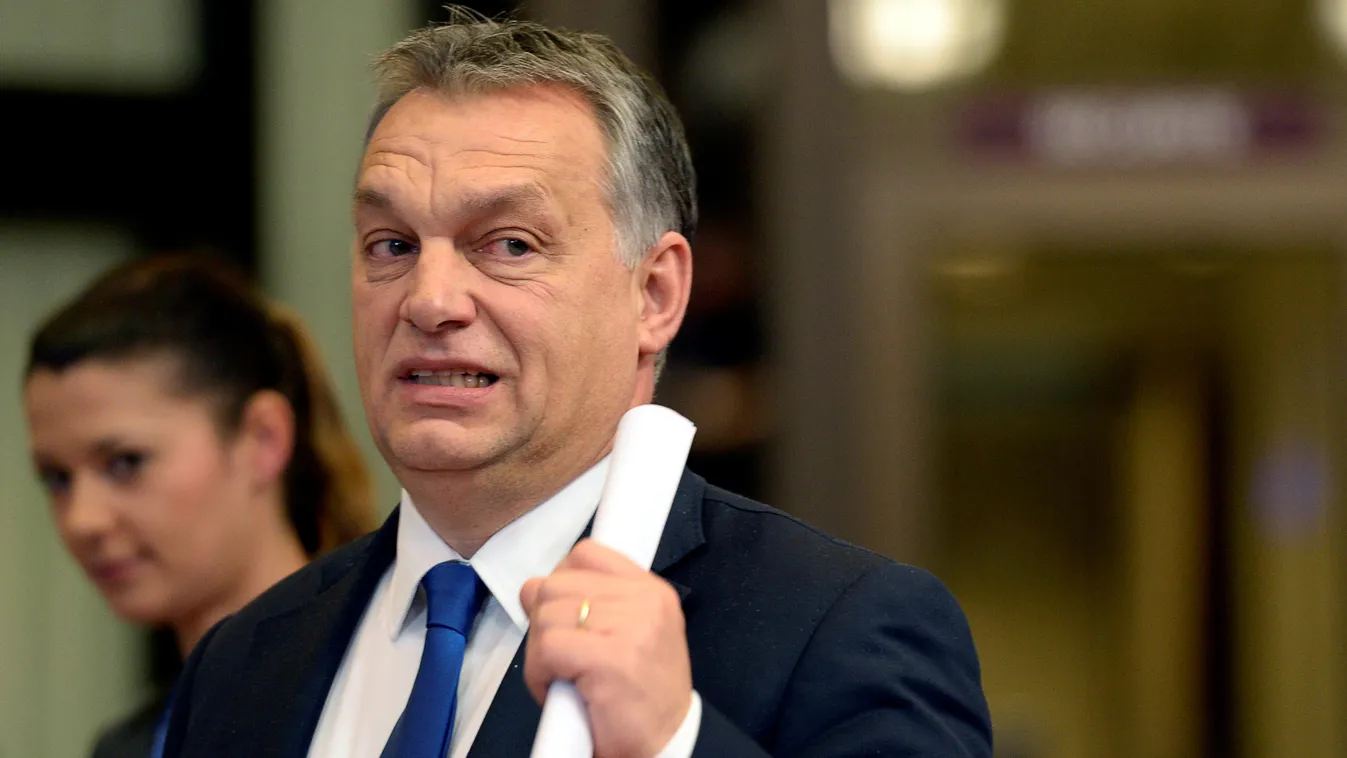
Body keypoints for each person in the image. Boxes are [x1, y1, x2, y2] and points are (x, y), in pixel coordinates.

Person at [160, 9, 993, 757]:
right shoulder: (245, 664)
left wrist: (671, 744)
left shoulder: (834, 626)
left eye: (509, 244)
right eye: (391, 245)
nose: (430, 300)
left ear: (655, 294)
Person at [22, 254, 378, 758]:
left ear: (262, 438)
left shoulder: (389, 693)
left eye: (126, 462)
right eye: (57, 478)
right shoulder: (129, 745)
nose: (82, 520)